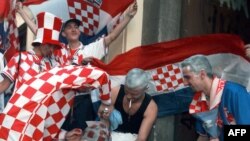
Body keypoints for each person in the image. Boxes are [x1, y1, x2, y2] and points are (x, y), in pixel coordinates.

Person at [16, 0, 138, 132]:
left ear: (80, 32)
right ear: (63, 34)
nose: (74, 29)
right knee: (57, 133)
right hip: (60, 99)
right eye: (69, 27)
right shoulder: (59, 50)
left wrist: (129, 16)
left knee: (82, 134)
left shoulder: (90, 49)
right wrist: (22, 12)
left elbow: (112, 36)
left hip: (83, 100)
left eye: (76, 27)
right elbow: (38, 32)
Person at [180, 54, 250, 141]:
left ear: (202, 74)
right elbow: (204, 136)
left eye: (188, 77)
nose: (185, 83)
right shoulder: (198, 101)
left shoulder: (235, 92)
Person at [104, 68, 158, 141]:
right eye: (126, 91)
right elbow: (104, 119)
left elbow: (141, 139)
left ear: (146, 89)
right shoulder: (115, 92)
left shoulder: (151, 108)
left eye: (134, 94)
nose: (129, 96)